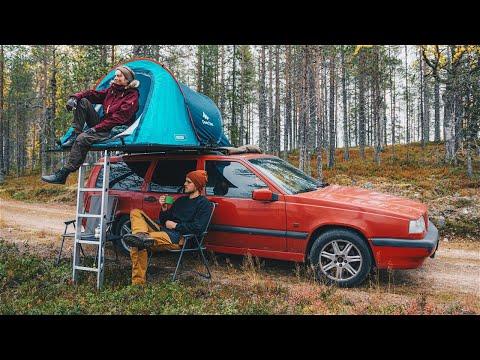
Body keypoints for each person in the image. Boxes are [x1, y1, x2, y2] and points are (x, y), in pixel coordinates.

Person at [41, 65, 140, 184]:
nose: (115, 78)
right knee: (83, 102)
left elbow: (118, 119)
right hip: (103, 125)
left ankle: (63, 174)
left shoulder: (132, 96)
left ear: (127, 80)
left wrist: (94, 129)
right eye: (115, 75)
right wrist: (75, 98)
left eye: (119, 76)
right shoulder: (112, 91)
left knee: (83, 138)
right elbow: (93, 94)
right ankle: (75, 135)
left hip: (115, 130)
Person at [122, 170, 212, 285]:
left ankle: (138, 283)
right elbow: (164, 221)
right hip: (164, 231)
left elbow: (199, 228)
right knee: (136, 212)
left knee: (137, 243)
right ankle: (141, 235)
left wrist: (176, 226)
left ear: (197, 185)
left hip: (178, 238)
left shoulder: (204, 204)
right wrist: (164, 208)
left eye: (188, 182)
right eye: (185, 181)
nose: (184, 184)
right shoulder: (181, 201)